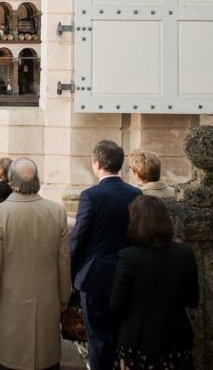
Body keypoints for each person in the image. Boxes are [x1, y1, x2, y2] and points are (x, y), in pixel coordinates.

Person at [0, 158, 71, 370]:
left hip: (10, 301)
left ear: (11, 181)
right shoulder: (56, 211)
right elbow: (64, 260)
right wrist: (64, 295)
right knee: (46, 359)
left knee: (12, 359)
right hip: (47, 299)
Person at [68, 140, 142, 370]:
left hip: (96, 275)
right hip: (128, 272)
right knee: (121, 333)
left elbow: (79, 237)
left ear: (97, 163)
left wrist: (68, 271)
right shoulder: (135, 193)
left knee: (98, 337)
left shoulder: (91, 195)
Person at [111, 196, 199, 369]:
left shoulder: (128, 258)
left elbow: (115, 304)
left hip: (137, 340)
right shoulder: (185, 254)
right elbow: (192, 299)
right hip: (176, 338)